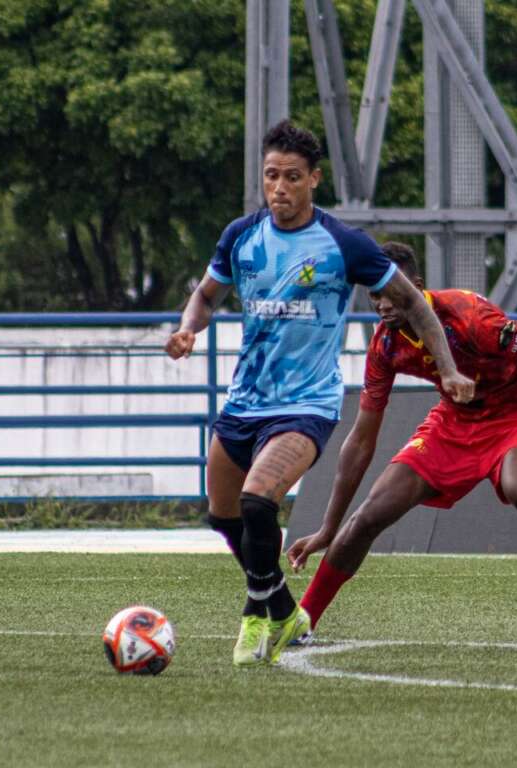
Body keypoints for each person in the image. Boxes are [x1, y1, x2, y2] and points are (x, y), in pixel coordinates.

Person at [165, 123, 474, 667]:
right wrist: (189, 328)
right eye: (270, 176)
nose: (279, 188)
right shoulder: (241, 236)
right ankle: (285, 609)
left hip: (307, 404)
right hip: (245, 400)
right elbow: (206, 296)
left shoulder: (343, 243)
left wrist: (447, 370)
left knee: (258, 502)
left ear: (313, 179)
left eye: (291, 177)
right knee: (224, 516)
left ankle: (256, 613)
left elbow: (414, 303)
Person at [288, 242, 517, 646]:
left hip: (516, 414)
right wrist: (328, 528)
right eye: (375, 294)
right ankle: (303, 620)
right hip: (454, 422)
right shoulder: (386, 345)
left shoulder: (471, 318)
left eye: (391, 292)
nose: (383, 304)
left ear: (415, 287)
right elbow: (361, 439)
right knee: (369, 515)